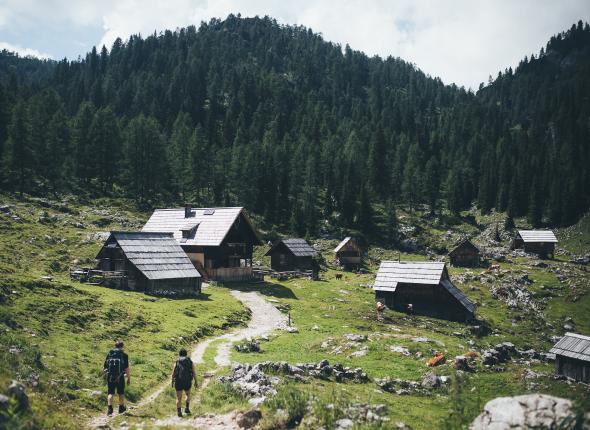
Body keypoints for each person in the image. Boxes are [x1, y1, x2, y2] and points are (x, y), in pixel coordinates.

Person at [103, 340, 130, 416]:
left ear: (115, 346)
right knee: (120, 393)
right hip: (120, 377)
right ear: (122, 346)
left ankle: (110, 410)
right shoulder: (124, 355)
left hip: (110, 376)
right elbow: (127, 368)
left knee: (110, 393)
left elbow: (105, 367)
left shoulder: (110, 354)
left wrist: (105, 375)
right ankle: (121, 408)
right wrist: (128, 378)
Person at [171, 348, 197, 417]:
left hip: (178, 382)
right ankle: (187, 408)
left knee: (178, 398)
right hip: (187, 382)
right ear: (186, 354)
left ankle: (179, 413)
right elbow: (194, 372)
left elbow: (173, 373)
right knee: (188, 395)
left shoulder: (177, 362)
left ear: (179, 354)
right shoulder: (190, 362)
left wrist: (172, 381)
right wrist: (196, 381)